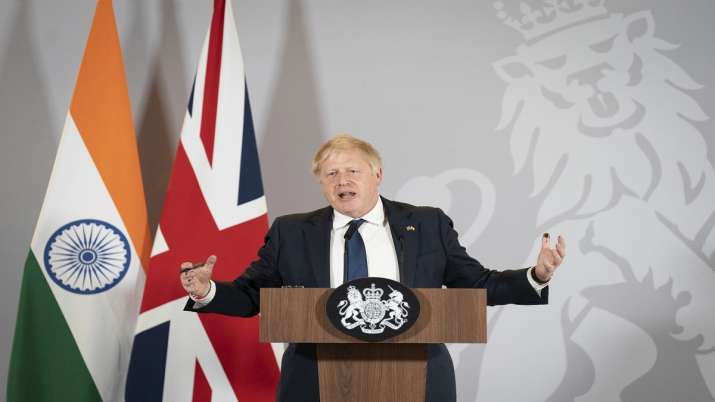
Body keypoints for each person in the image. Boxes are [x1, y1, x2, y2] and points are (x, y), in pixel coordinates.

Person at [180, 134, 566, 402]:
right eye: (330, 174)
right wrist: (207, 291)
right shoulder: (292, 232)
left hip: (417, 377)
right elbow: (252, 295)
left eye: (353, 171)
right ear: (320, 183)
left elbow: (477, 285)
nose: (342, 181)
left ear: (377, 175)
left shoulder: (427, 224)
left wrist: (536, 276)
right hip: (315, 378)